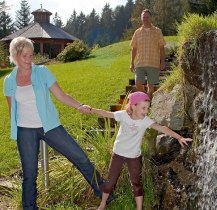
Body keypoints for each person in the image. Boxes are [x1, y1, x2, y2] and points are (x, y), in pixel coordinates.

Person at [3, 37, 113, 210]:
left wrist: (79, 105)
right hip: (25, 130)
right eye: (25, 55)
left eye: (31, 55)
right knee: (29, 175)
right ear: (15, 55)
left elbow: (61, 95)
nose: (29, 59)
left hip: (50, 126)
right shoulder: (8, 80)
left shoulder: (42, 72)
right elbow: (12, 110)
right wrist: (17, 133)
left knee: (80, 157)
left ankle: (105, 194)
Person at [89, 91, 193, 210]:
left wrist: (179, 137)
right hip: (118, 153)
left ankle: (139, 209)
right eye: (143, 108)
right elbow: (106, 113)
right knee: (110, 182)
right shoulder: (123, 115)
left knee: (136, 184)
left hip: (134, 156)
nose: (146, 111)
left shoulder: (145, 121)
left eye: (147, 108)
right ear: (133, 106)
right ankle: (102, 205)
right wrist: (91, 109)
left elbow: (162, 128)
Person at [130, 9, 166, 99]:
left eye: (147, 17)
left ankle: (148, 105)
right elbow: (134, 48)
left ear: (151, 18)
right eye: (143, 17)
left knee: (150, 86)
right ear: (141, 19)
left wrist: (163, 62)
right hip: (140, 63)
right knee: (138, 83)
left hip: (153, 63)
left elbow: (162, 47)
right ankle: (146, 99)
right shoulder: (137, 32)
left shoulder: (157, 31)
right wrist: (131, 63)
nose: (145, 19)